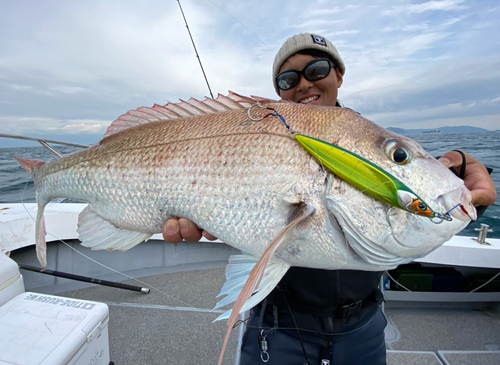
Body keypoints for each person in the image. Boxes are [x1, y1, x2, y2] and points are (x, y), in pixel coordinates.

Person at [163, 33, 497, 364]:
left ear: (338, 73)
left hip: (362, 327)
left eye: (317, 69)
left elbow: (417, 199)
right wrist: (201, 210)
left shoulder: (363, 136)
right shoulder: (256, 129)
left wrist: (464, 171)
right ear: (279, 89)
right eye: (288, 78)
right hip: (278, 328)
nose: (304, 84)